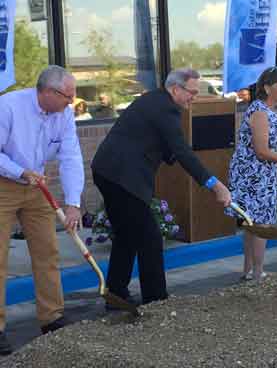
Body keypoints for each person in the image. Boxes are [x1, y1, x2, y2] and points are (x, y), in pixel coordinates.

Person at [91, 68, 231, 306]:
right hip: (123, 177)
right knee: (150, 238)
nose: (194, 97)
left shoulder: (155, 101)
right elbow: (181, 150)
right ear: (176, 89)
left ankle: (115, 294)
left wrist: (177, 157)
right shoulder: (165, 108)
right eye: (192, 92)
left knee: (127, 235)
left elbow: (164, 145)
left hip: (108, 172)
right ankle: (156, 300)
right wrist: (215, 185)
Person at [0, 65, 84, 353]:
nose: (71, 102)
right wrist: (20, 172)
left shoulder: (64, 114)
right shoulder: (8, 106)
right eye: (67, 96)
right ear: (48, 92)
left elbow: (71, 155)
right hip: (4, 182)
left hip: (36, 185)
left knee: (47, 251)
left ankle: (52, 318)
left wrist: (73, 203)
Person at [226, 66, 277, 280]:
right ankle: (258, 272)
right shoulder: (260, 111)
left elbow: (271, 134)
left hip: (259, 172)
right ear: (267, 88)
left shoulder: (267, 110)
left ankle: (249, 271)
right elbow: (261, 151)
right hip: (254, 174)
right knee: (260, 223)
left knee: (252, 224)